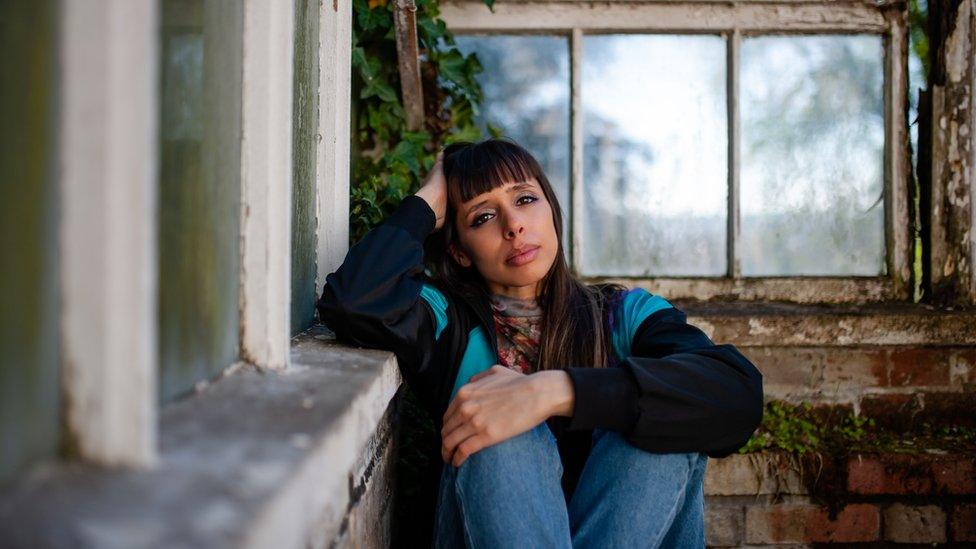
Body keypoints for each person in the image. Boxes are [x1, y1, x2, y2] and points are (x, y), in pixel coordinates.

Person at [317, 138, 764, 548]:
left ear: (551, 209)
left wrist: (550, 391)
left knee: (661, 425)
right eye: (483, 217)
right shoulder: (446, 320)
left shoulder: (622, 314)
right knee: (498, 432)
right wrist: (425, 205)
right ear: (458, 251)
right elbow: (355, 302)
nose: (513, 225)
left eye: (525, 199)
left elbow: (737, 393)